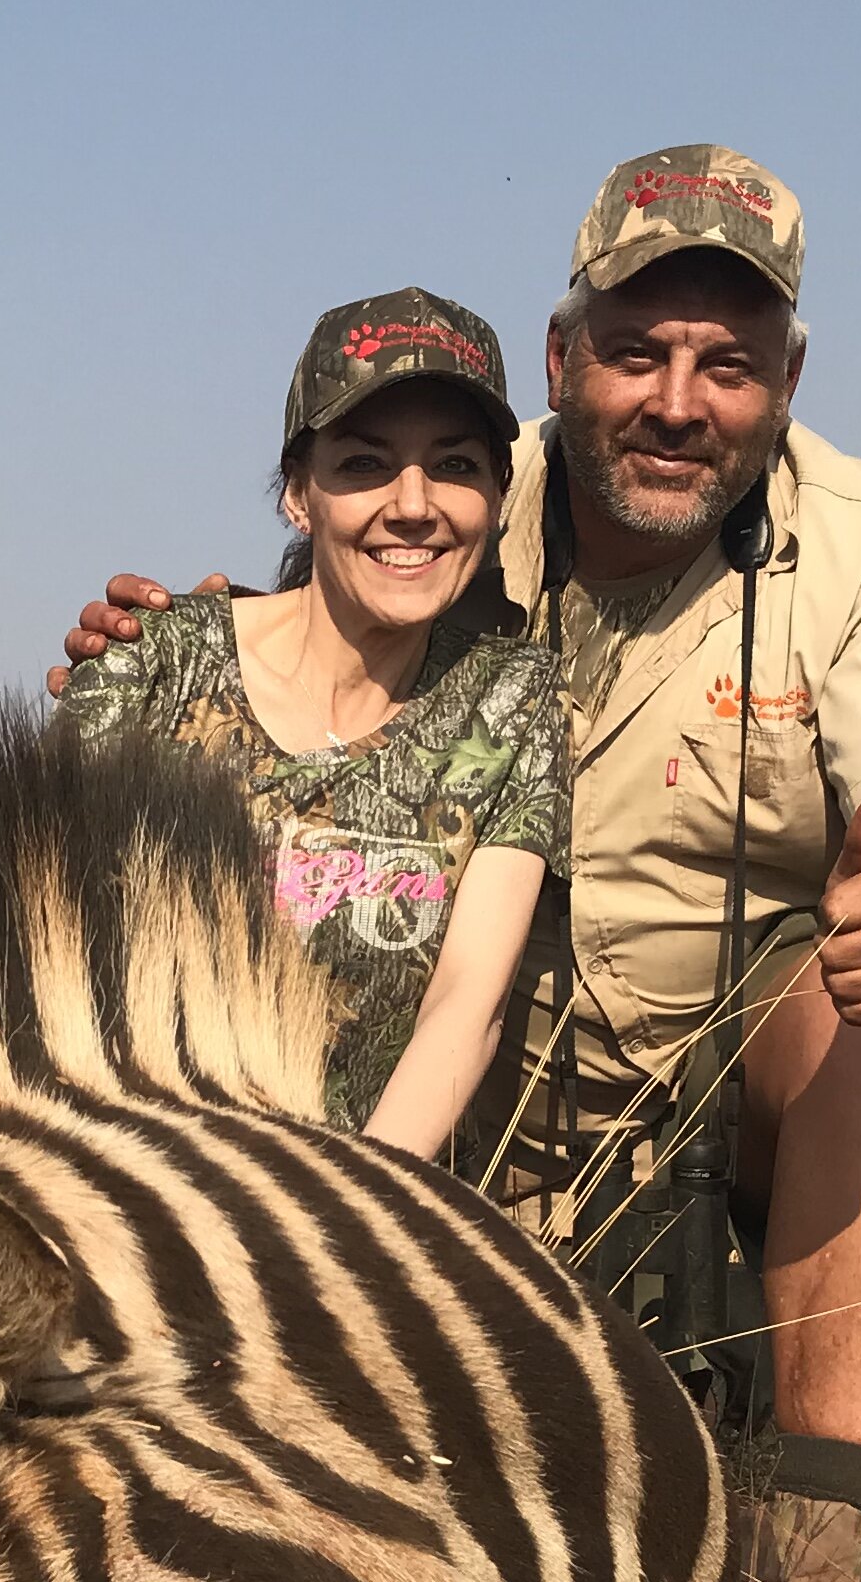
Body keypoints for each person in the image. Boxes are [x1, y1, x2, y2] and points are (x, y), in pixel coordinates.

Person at [60, 150, 861, 1582]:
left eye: (726, 363)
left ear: (787, 379)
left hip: (715, 1090)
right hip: (448, 1082)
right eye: (636, 352)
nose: (675, 399)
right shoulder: (447, 480)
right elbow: (299, 685)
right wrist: (172, 651)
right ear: (564, 359)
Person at [53, 290, 563, 1148]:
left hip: (349, 1215)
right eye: (364, 464)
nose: (413, 503)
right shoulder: (152, 662)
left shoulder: (511, 704)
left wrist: (351, 1225)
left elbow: (464, 1006)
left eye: (455, 466)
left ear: (499, 495)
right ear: (299, 493)